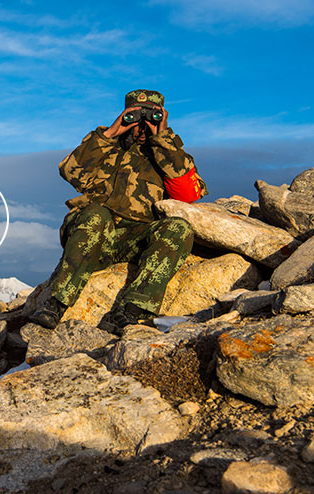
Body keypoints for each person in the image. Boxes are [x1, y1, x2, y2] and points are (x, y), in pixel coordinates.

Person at [30, 89, 207, 334]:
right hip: (92, 234)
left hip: (134, 239)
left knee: (179, 228)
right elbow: (70, 169)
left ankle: (131, 312)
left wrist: (163, 139)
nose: (142, 125)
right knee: (96, 215)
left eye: (151, 117)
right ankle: (56, 303)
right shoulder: (105, 147)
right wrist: (112, 131)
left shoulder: (168, 155)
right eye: (136, 116)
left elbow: (188, 194)